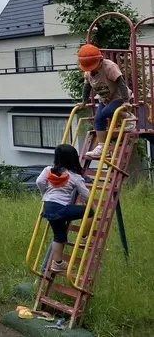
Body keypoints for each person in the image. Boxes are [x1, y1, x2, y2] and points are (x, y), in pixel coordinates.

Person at [36, 144, 94, 273]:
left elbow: (39, 182)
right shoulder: (74, 176)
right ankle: (84, 238)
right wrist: (88, 203)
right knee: (89, 212)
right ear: (73, 159)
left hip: (48, 207)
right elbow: (86, 194)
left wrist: (44, 193)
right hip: (62, 208)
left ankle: (58, 263)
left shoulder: (48, 170)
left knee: (59, 236)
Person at [76, 44, 136, 159]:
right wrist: (84, 102)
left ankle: (128, 117)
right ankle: (102, 147)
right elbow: (87, 87)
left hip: (119, 97)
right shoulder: (88, 72)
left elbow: (121, 83)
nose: (90, 70)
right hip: (105, 99)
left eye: (92, 66)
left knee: (107, 112)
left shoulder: (109, 66)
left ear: (100, 60)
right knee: (98, 119)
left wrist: (126, 101)